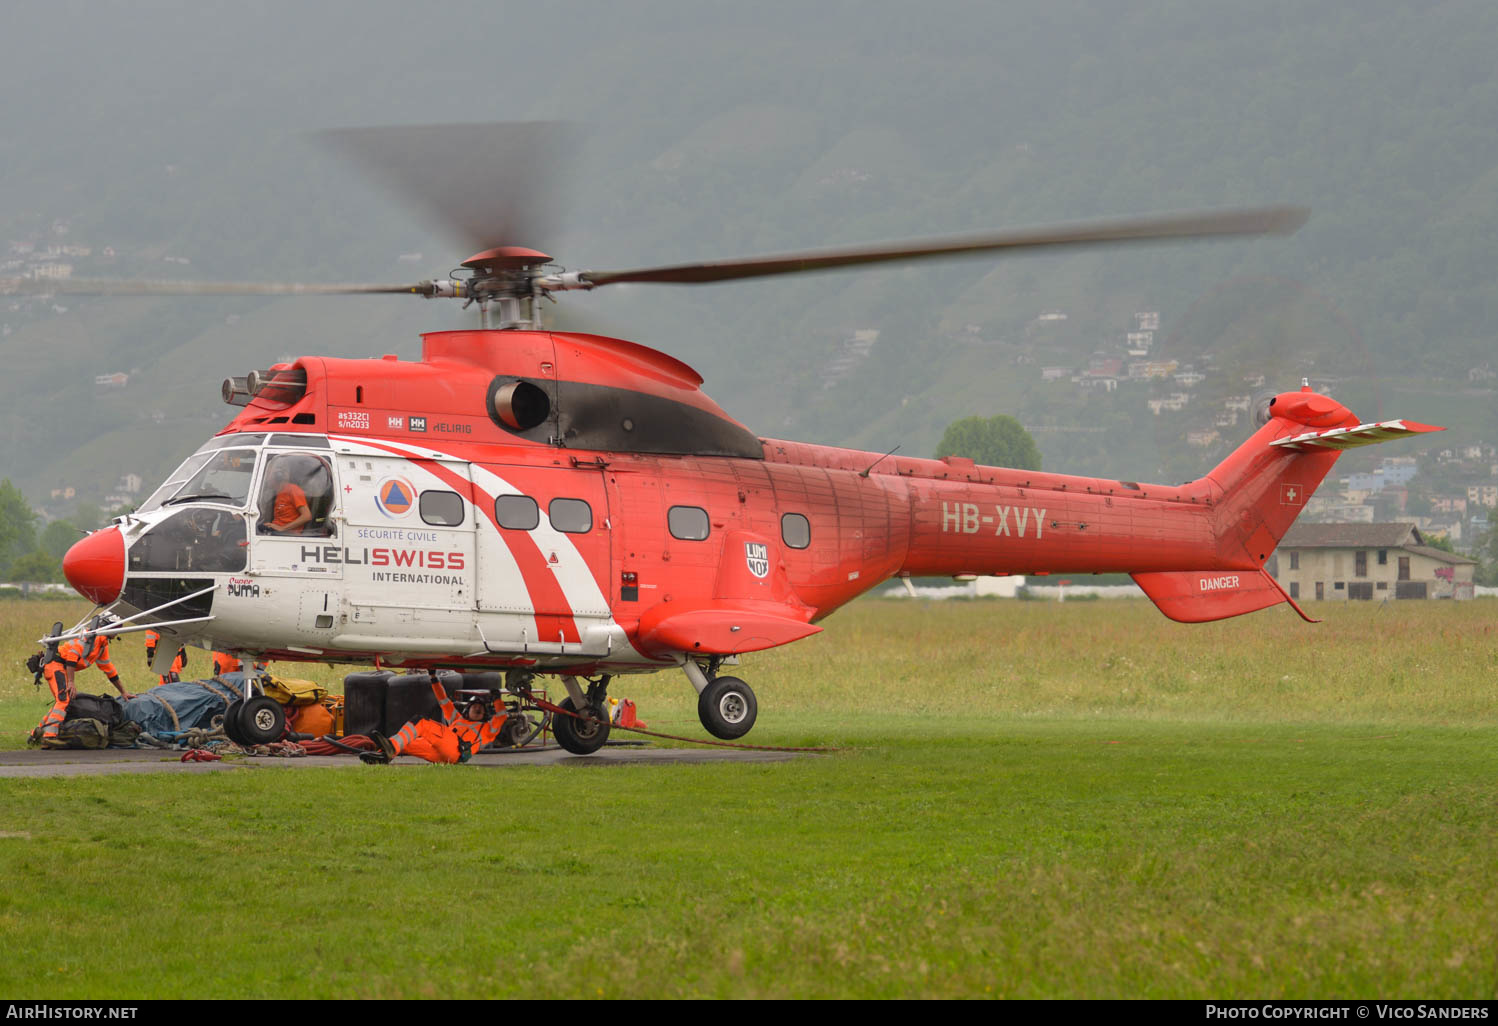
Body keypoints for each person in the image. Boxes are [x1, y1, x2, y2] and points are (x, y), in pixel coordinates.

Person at [32, 614, 133, 746]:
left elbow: (109, 670)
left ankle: (37, 733)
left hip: (62, 667)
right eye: (117, 627)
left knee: (63, 701)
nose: (118, 630)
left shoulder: (102, 645)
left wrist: (123, 692)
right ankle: (49, 737)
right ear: (106, 626)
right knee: (64, 700)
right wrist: (71, 683)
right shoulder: (90, 637)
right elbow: (72, 657)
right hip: (56, 665)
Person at [360, 675, 508, 765]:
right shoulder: (456, 718)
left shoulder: (487, 730)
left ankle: (390, 749)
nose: (477, 709)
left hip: (456, 749)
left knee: (421, 721)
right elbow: (443, 699)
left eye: (481, 709)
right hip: (440, 754)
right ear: (467, 709)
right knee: (404, 742)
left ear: (485, 716)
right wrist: (433, 678)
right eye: (475, 706)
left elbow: (502, 716)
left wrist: (497, 700)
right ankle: (381, 756)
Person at [262, 462, 312, 535]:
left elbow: (307, 516)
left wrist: (282, 528)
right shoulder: (274, 493)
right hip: (275, 530)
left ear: (278, 476)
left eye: (268, 475)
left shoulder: (293, 489)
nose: (265, 479)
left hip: (288, 534)